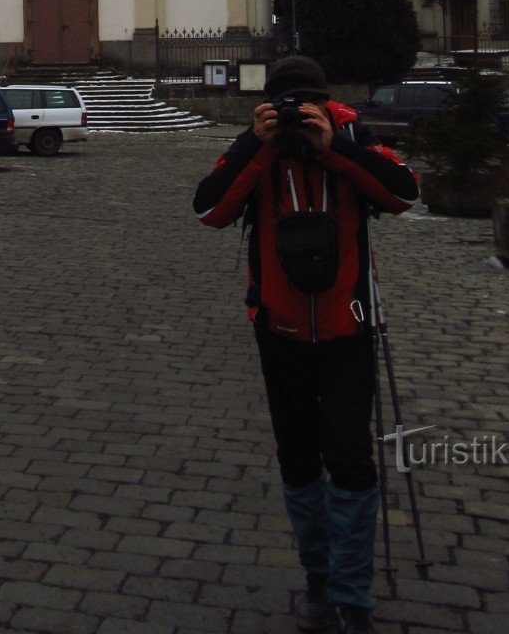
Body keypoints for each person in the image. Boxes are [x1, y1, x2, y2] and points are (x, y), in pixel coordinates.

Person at [194, 55, 420, 634]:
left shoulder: (349, 142)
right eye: (288, 105)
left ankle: (353, 592)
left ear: (325, 103)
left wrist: (332, 148)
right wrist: (260, 144)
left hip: (348, 330)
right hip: (281, 329)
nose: (298, 115)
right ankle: (318, 574)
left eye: (306, 105)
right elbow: (210, 209)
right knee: (298, 460)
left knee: (349, 459)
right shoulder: (259, 150)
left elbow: (403, 194)